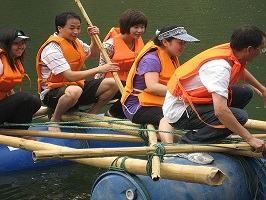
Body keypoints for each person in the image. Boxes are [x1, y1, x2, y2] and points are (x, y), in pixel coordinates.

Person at [163, 25, 266, 163]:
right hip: (180, 111)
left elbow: (239, 69)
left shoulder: (232, 51)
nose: (262, 52)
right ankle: (187, 145)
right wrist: (250, 138)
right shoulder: (219, 67)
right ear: (249, 49)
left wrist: (262, 89)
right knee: (240, 117)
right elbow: (220, 111)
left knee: (246, 92)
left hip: (194, 102)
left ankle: (213, 131)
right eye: (262, 49)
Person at [36, 11, 119, 132]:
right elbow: (69, 76)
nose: (76, 32)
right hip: (52, 93)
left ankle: (92, 114)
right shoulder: (52, 49)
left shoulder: (75, 42)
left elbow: (94, 54)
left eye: (78, 28)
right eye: (72, 28)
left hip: (74, 86)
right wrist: (100, 69)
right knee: (74, 91)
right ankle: (55, 119)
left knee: (113, 83)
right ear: (60, 28)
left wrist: (93, 38)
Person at [121, 25, 199, 143]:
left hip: (158, 101)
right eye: (180, 43)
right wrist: (183, 94)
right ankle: (169, 149)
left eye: (184, 43)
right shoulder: (152, 58)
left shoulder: (171, 57)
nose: (183, 46)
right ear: (165, 42)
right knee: (168, 116)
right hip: (137, 105)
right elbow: (153, 87)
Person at [95, 9, 148, 119]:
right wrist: (96, 91)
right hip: (112, 85)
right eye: (136, 27)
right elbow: (100, 69)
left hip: (128, 83)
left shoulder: (138, 41)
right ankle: (113, 113)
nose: (140, 30)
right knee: (136, 89)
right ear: (126, 26)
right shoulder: (109, 45)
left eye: (142, 27)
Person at [0, 28, 41, 130]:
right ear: (6, 44)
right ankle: (20, 133)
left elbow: (6, 87)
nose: (21, 46)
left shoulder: (12, 61)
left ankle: (16, 130)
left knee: (35, 101)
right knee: (26, 97)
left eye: (23, 43)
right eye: (16, 43)